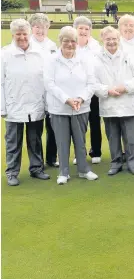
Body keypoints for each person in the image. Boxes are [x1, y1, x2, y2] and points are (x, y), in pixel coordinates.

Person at [44, 26, 98, 185]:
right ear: (60, 41)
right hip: (59, 108)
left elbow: (91, 83)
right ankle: (64, 172)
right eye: (66, 41)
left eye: (73, 41)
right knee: (62, 141)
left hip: (80, 107)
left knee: (80, 140)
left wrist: (80, 99)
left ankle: (84, 170)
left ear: (77, 43)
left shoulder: (85, 59)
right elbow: (49, 84)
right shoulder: (51, 60)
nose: (69, 44)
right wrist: (66, 99)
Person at [1, 19, 50, 186]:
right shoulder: (5, 54)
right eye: (18, 34)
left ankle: (37, 168)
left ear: (29, 34)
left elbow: (46, 80)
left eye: (24, 34)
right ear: (13, 35)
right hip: (14, 105)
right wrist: (2, 107)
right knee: (13, 142)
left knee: (35, 139)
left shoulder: (40, 53)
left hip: (35, 103)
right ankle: (12, 172)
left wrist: (46, 103)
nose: (22, 37)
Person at [94, 26, 134, 176]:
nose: (111, 42)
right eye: (108, 39)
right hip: (109, 104)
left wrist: (125, 87)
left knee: (130, 138)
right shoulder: (96, 59)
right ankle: (116, 163)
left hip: (129, 103)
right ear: (102, 40)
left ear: (119, 39)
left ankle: (132, 163)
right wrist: (107, 90)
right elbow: (93, 83)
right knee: (113, 137)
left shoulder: (130, 56)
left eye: (114, 39)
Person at [28, 13, 58, 168]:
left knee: (53, 128)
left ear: (48, 28)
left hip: (51, 92)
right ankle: (37, 162)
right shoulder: (28, 45)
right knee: (36, 131)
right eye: (37, 27)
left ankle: (51, 158)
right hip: (34, 92)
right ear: (31, 28)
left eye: (44, 27)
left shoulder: (52, 45)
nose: (40, 30)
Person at [73, 16, 102, 165]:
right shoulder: (71, 46)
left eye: (86, 29)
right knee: (79, 125)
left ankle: (96, 151)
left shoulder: (97, 47)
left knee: (95, 122)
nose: (83, 31)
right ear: (75, 30)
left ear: (90, 31)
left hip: (94, 91)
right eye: (80, 29)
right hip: (77, 92)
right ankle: (80, 152)